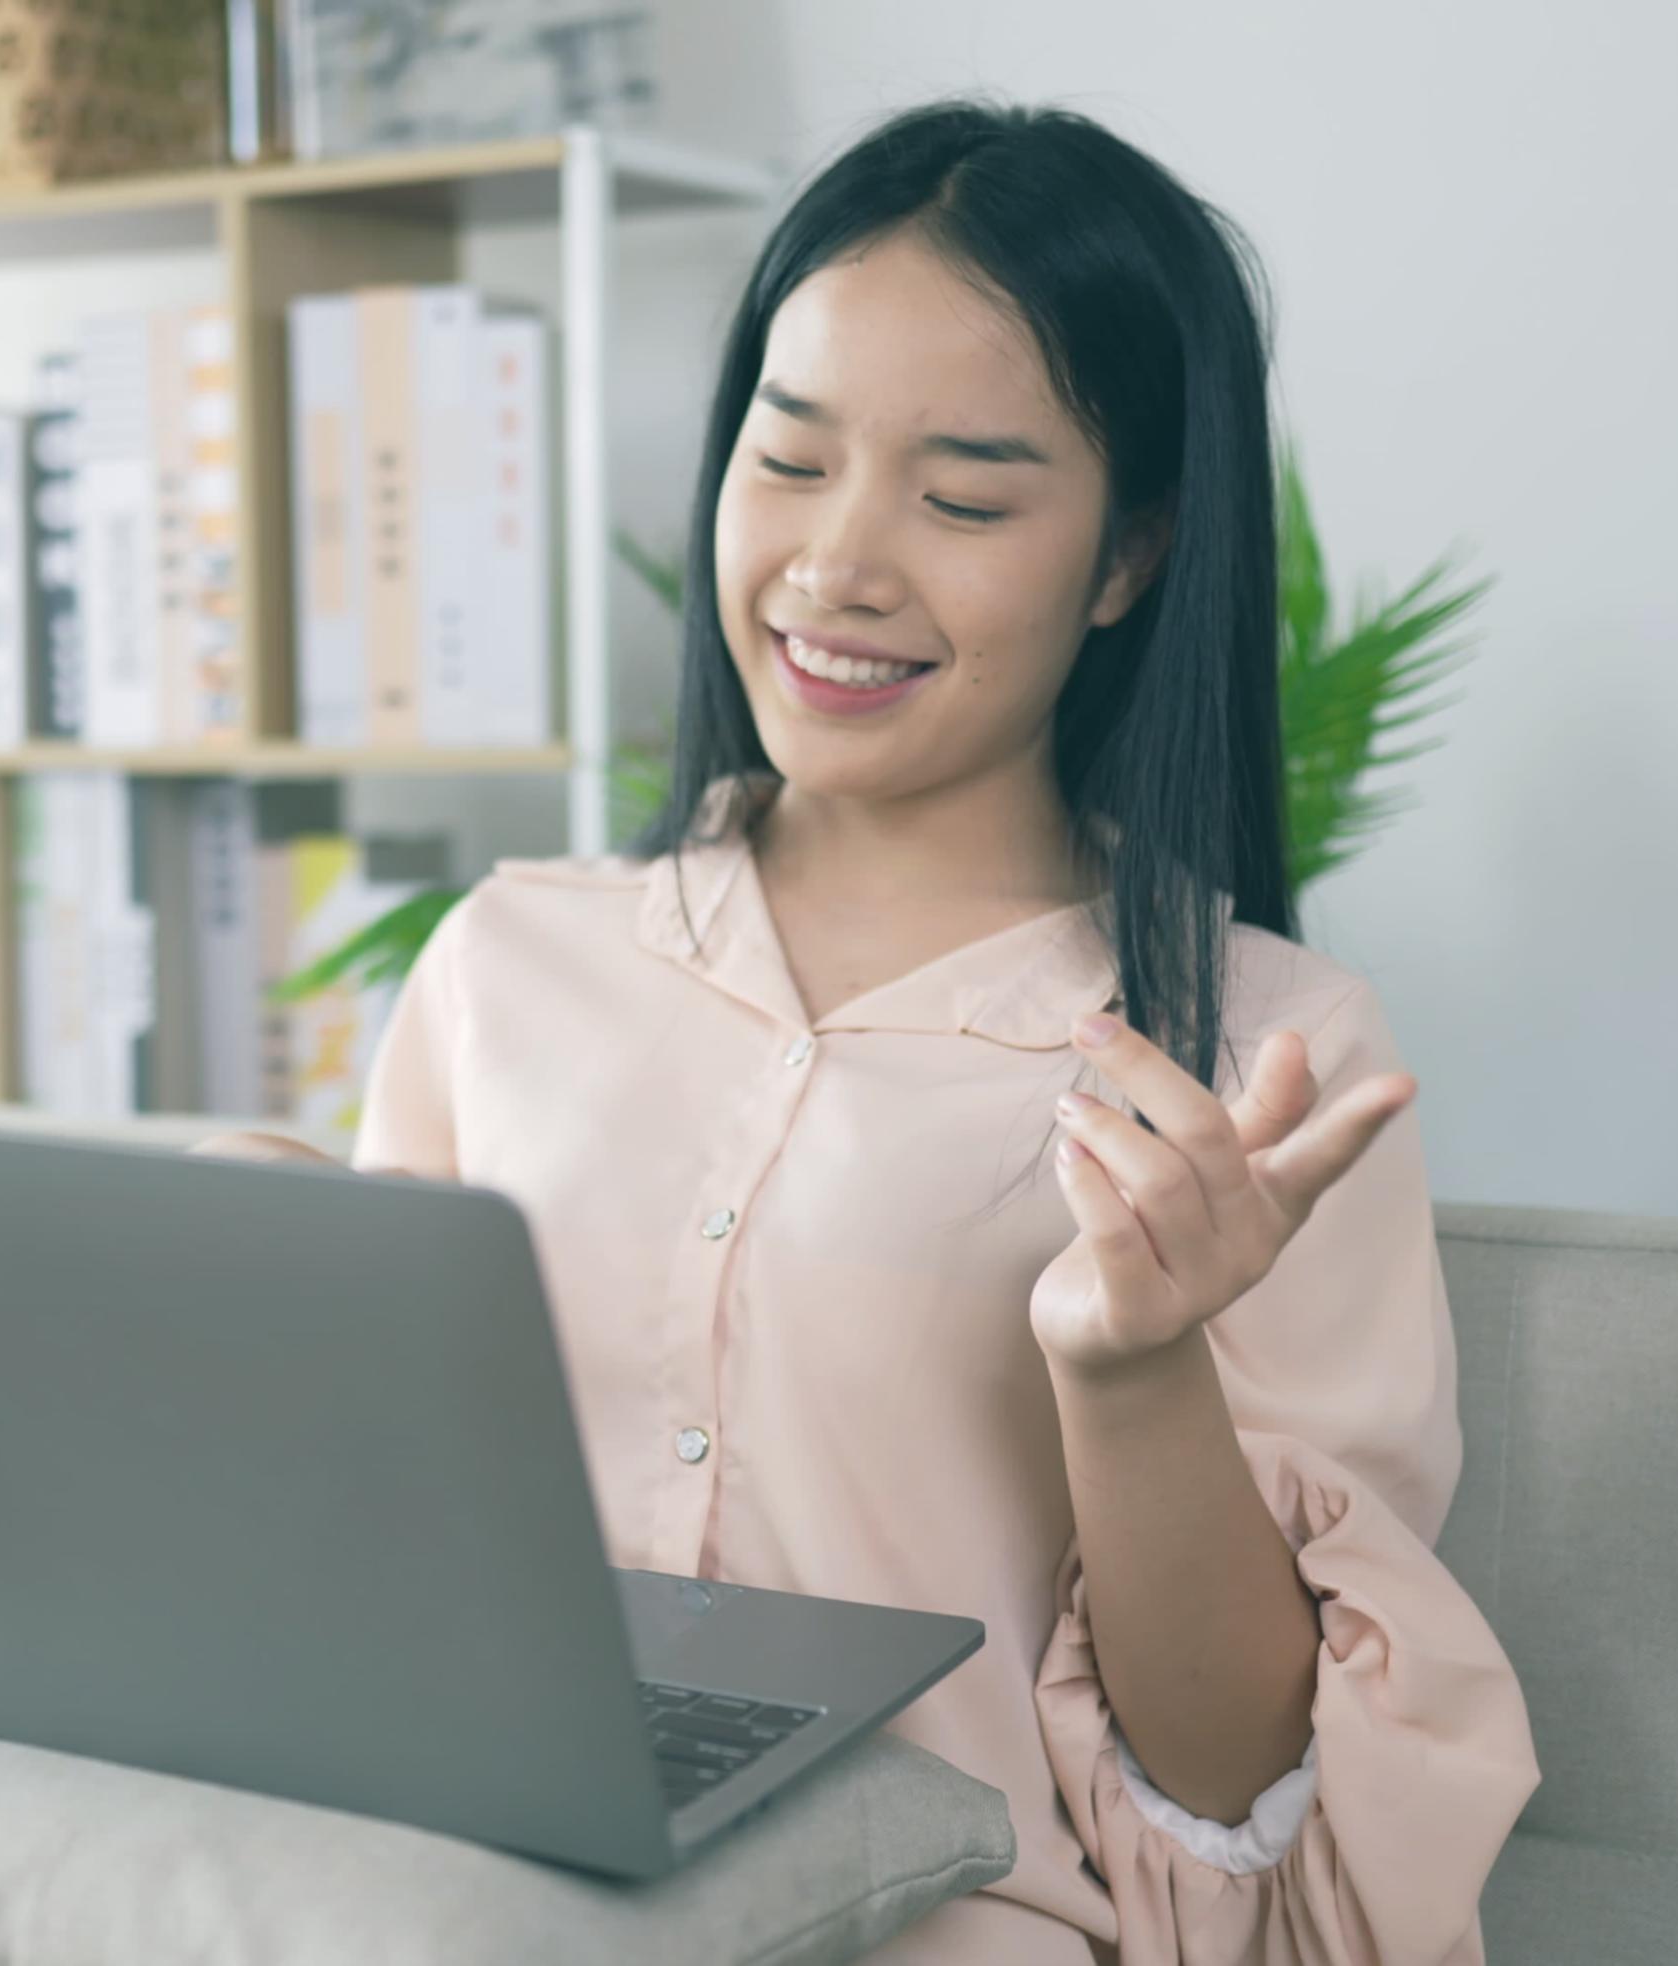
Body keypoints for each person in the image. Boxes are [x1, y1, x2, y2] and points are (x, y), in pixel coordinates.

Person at [201, 99, 1537, 1963]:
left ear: (1130, 555)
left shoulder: (1261, 1060)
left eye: (965, 499)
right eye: (790, 456)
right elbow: (388, 1578)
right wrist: (250, 1305)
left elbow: (1237, 1786)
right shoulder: (510, 961)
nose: (837, 565)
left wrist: (1130, 1364)